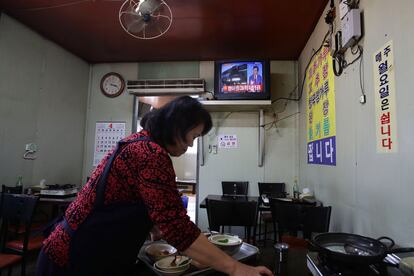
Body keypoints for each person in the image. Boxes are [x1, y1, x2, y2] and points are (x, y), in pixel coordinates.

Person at [36, 96, 273, 276]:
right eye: (194, 135)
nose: (191, 145)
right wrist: (236, 268)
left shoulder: (137, 142)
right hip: (74, 257)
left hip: (77, 250)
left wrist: (152, 226)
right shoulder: (150, 153)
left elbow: (131, 200)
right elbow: (177, 227)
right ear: (177, 126)